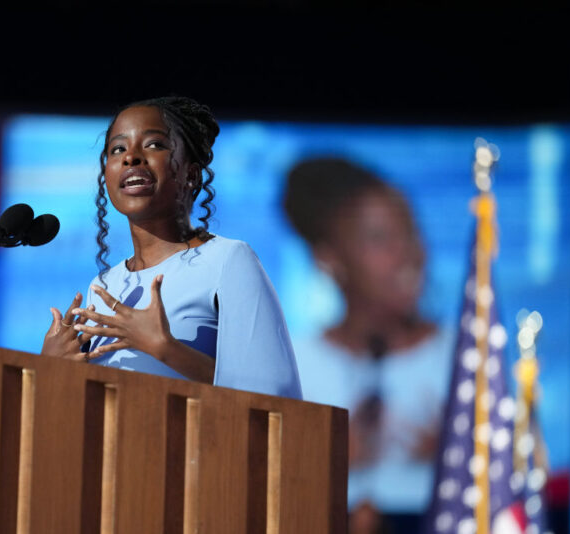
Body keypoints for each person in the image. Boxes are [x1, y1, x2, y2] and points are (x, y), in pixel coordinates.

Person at [40, 96, 302, 400]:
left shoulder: (227, 260)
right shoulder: (104, 285)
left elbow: (276, 397)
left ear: (191, 174)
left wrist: (165, 348)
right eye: (118, 149)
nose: (131, 158)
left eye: (154, 145)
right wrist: (52, 366)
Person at [283, 158, 453, 533]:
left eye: (411, 232)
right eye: (380, 239)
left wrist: (460, 455)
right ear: (328, 259)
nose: (408, 252)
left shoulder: (464, 355)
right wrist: (318, 461)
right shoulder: (293, 364)